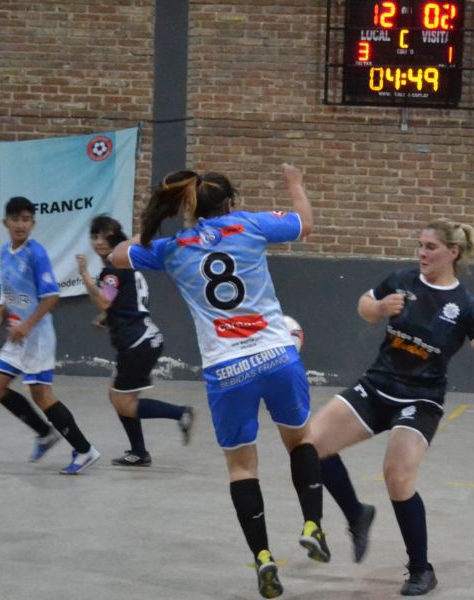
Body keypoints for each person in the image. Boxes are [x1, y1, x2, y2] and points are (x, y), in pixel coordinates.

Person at [110, 165, 327, 599]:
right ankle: (312, 524)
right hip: (277, 356)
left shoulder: (172, 249)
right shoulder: (247, 224)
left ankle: (263, 559)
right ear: (230, 203)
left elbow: (118, 255)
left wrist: (157, 225)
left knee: (242, 467)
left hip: (227, 371)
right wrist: (295, 185)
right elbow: (304, 224)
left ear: (190, 207)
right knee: (300, 440)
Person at [308, 219, 474, 596]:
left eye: (430, 247)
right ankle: (356, 514)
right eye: (419, 245)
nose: (422, 253)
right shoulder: (401, 280)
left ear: (453, 252)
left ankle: (421, 569)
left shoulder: (466, 306)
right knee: (310, 445)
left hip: (421, 399)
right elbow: (365, 307)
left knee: (397, 477)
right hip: (378, 384)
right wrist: (380, 306)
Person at [0, 196, 100, 474]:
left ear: (33, 223)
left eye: (26, 220)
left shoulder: (37, 254)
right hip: (17, 335)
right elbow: (14, 290)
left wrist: (27, 326)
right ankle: (45, 434)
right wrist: (0, 311)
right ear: (5, 223)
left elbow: (50, 297)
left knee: (42, 395)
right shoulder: (5, 251)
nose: (20, 225)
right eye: (15, 219)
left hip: (37, 337)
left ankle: (85, 450)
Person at [75, 214, 194, 467]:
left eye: (105, 237)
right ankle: (139, 452)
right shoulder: (125, 266)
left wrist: (84, 274)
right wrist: (107, 318)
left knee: (125, 403)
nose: (98, 242)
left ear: (115, 239)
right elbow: (122, 303)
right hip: (145, 340)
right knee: (117, 396)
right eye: (95, 236)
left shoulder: (112, 269)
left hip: (136, 344)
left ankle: (180, 413)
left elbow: (105, 300)